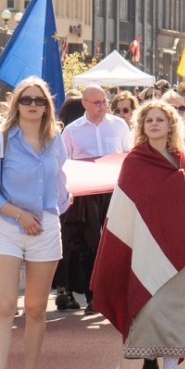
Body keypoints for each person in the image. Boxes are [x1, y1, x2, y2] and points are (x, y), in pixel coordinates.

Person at [92, 102, 185, 369]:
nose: (155, 124)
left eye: (161, 120)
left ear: (171, 126)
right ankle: (149, 363)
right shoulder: (134, 161)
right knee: (148, 308)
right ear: (141, 127)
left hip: (180, 243)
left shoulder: (178, 158)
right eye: (149, 120)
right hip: (145, 247)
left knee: (177, 312)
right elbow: (124, 209)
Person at [0, 78, 71, 369]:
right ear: (16, 103)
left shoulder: (56, 140)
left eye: (39, 100)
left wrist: (53, 213)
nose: (33, 104)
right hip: (7, 225)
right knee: (4, 306)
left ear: (47, 106)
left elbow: (61, 186)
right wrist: (19, 214)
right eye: (26, 99)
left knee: (36, 308)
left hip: (45, 226)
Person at [57, 85, 129, 313]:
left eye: (104, 101)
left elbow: (128, 155)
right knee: (89, 245)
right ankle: (92, 297)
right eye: (97, 102)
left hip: (115, 192)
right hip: (86, 195)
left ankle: (116, 295)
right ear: (84, 104)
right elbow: (63, 163)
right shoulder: (71, 130)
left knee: (116, 241)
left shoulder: (119, 125)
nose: (103, 106)